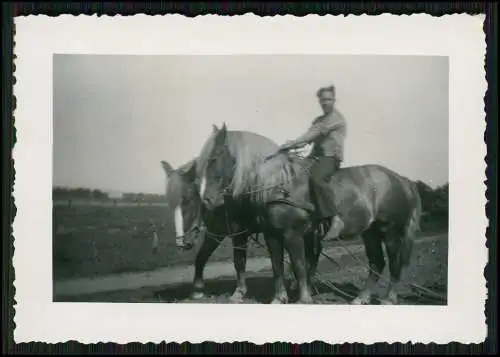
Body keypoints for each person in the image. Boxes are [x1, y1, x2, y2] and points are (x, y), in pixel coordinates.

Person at [272, 84, 346, 241]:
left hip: (330, 157)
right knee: (294, 173)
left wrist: (291, 143)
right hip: (315, 157)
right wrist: (291, 151)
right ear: (319, 101)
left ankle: (335, 219)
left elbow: (311, 135)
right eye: (322, 99)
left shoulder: (336, 119)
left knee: (317, 179)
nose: (325, 102)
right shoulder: (318, 120)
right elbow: (308, 140)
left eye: (328, 99)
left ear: (334, 100)